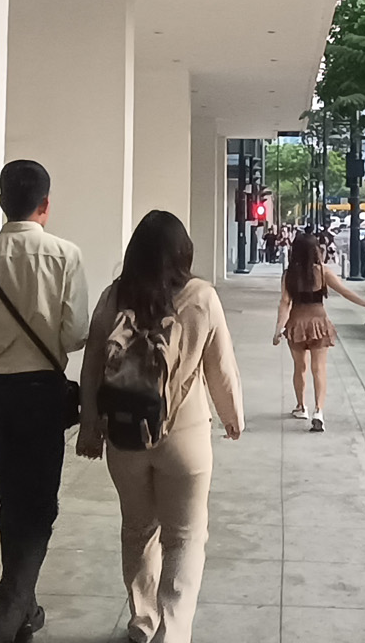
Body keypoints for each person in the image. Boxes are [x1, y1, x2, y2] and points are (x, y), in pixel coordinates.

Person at [76, 210, 243, 643]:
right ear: (184, 253)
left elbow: (92, 364)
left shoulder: (115, 296)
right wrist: (232, 415)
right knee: (185, 537)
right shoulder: (201, 297)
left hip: (125, 435)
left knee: (137, 529)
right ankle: (174, 631)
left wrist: (90, 423)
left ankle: (143, 621)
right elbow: (221, 367)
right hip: (185, 435)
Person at [0, 160, 89, 643]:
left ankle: (25, 608)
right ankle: (7, 610)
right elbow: (76, 333)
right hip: (42, 392)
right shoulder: (65, 255)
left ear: (2, 203)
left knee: (12, 501)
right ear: (45, 204)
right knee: (40, 505)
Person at [273, 232, 365, 432]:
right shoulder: (323, 272)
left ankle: (301, 406)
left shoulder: (289, 275)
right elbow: (345, 292)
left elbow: (285, 303)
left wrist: (278, 329)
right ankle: (318, 411)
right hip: (319, 323)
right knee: (319, 368)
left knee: (299, 367)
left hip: (296, 324)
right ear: (315, 250)